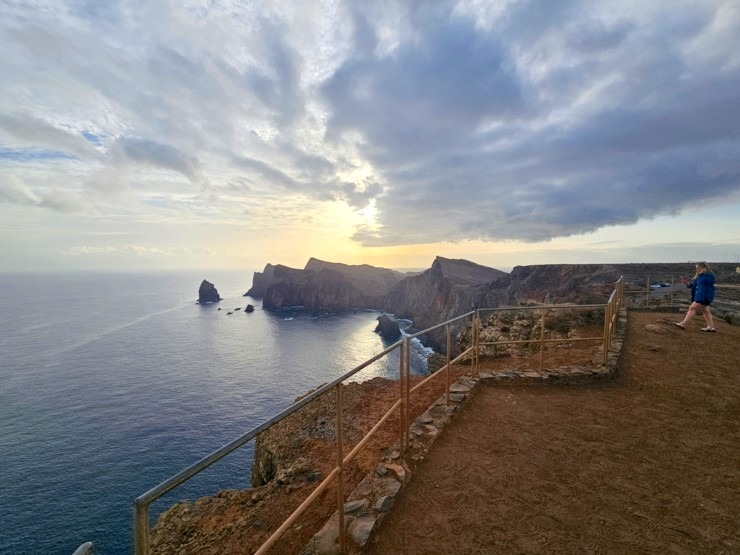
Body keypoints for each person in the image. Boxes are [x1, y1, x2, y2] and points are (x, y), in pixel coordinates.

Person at [674, 262, 716, 332]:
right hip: (700, 296)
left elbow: (708, 281)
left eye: (699, 268)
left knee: (692, 308)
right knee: (706, 311)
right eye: (696, 268)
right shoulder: (699, 276)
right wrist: (685, 282)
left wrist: (702, 273)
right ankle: (711, 327)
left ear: (704, 267)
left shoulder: (709, 275)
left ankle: (683, 323)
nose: (697, 270)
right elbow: (692, 286)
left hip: (703, 296)